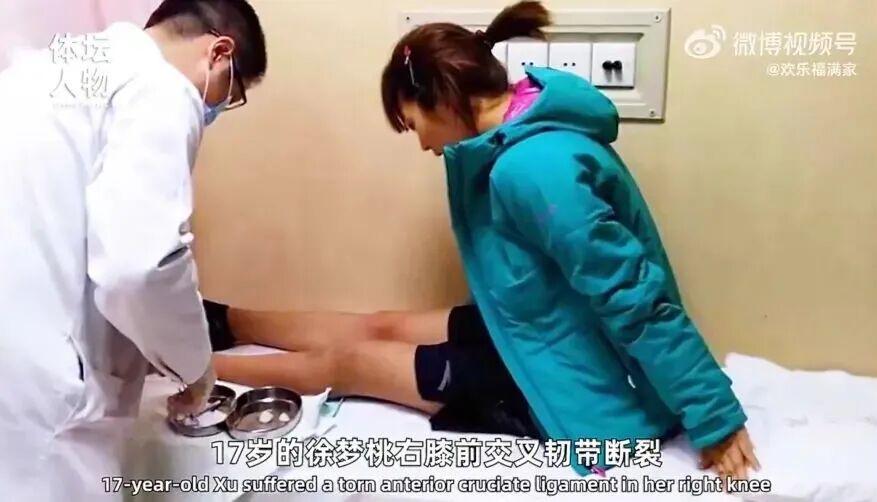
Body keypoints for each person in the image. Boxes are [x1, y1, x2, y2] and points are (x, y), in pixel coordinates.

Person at [209, 0, 759, 480]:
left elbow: (635, 298)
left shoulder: (534, 167)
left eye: (413, 123)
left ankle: (196, 370)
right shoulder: (518, 139)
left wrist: (714, 419)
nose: (422, 145)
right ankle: (221, 320)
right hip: (544, 332)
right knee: (383, 324)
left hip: (582, 391)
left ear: (444, 100)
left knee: (351, 363)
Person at [0, 0, 266, 499]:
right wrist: (195, 367)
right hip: (43, 396)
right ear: (219, 53)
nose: (215, 110)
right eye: (229, 95)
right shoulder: (162, 87)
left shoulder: (41, 70)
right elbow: (138, 266)